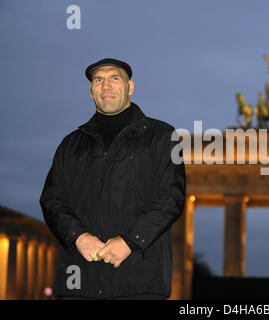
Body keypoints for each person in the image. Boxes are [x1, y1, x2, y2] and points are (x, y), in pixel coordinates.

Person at [40, 58, 186, 300]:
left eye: (114, 78)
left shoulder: (163, 136)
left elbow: (172, 196)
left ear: (130, 87)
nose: (106, 86)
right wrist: (79, 237)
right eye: (99, 80)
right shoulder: (70, 144)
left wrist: (130, 242)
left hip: (139, 281)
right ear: (91, 91)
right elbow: (51, 199)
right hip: (78, 281)